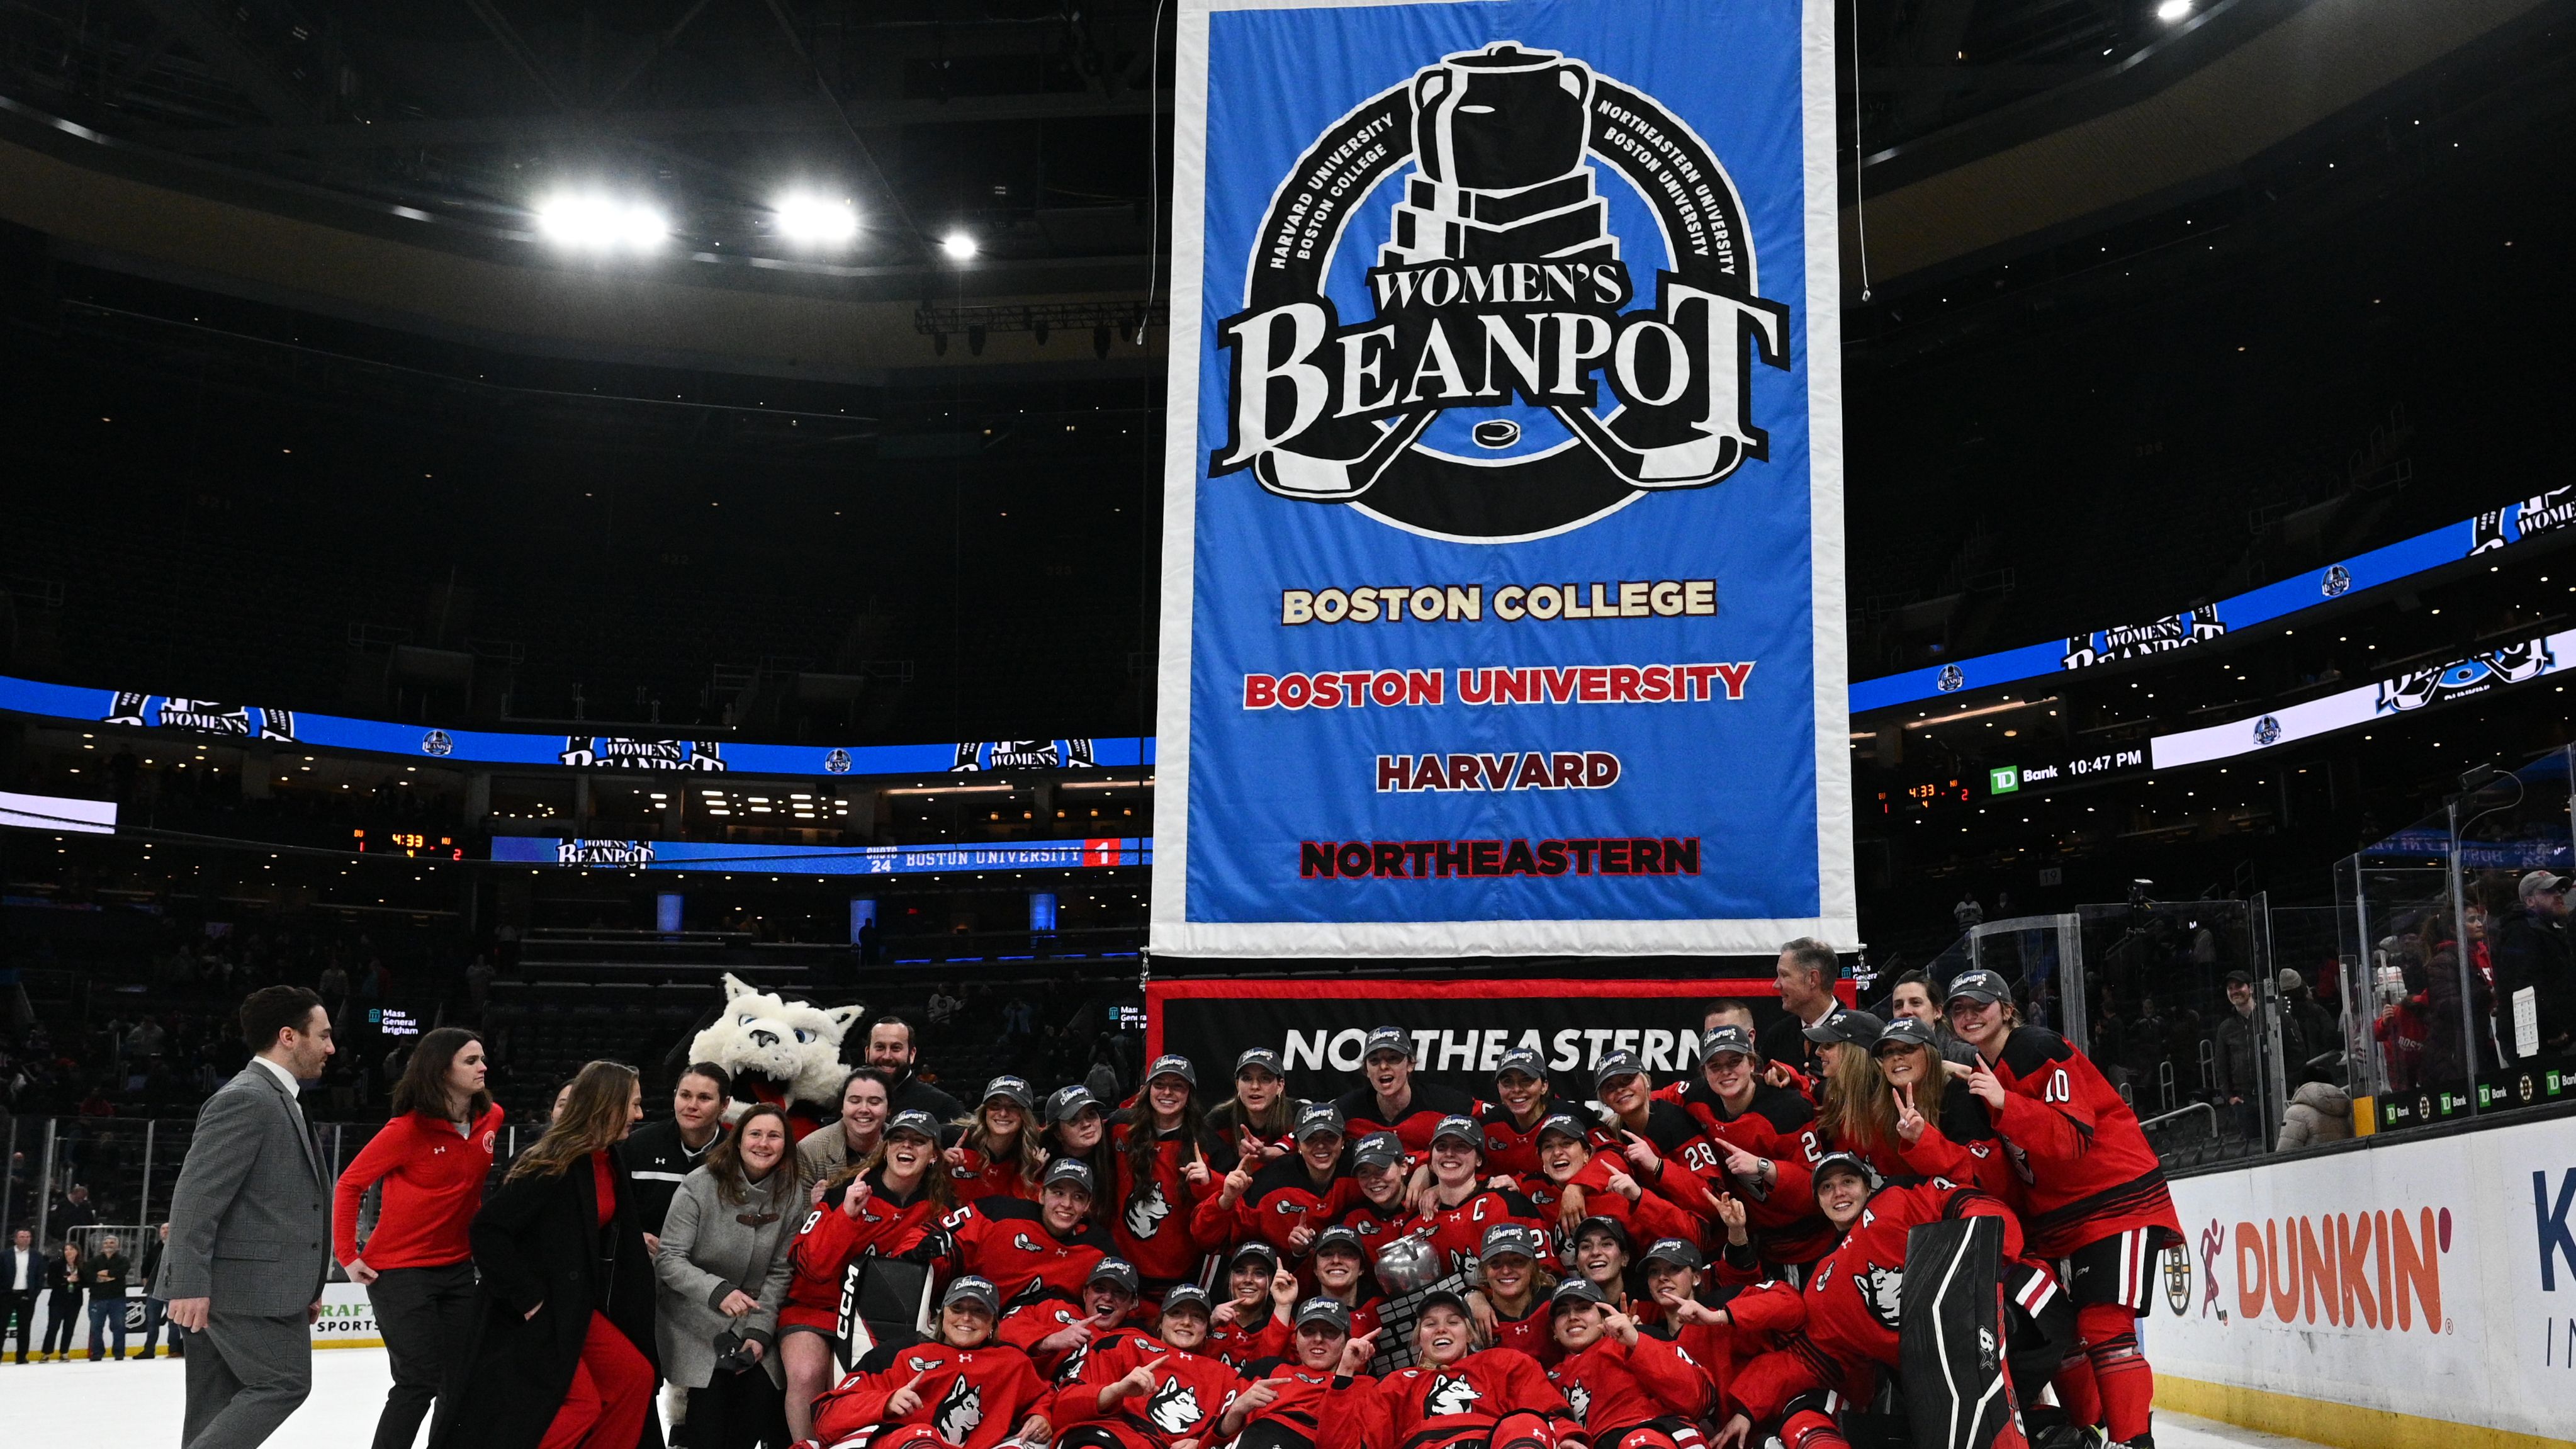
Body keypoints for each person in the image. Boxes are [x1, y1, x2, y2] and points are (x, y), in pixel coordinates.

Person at [1946, 968, 2179, 1449]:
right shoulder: (1980, 1070)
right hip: (2058, 1220)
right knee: (2063, 1334)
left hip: (2117, 1200)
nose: (1969, 1017)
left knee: (2104, 1326)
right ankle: (2084, 1433)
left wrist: (2003, 1101)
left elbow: (2073, 1136)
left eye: (1979, 1006)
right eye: (1959, 1010)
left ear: (2006, 1010)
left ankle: (2133, 1441)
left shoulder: (2036, 1048)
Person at [432, 1059, 658, 1449]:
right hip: (534, 1311)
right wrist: (531, 1300)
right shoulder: (553, 1162)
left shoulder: (608, 1157)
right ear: (608, 1105)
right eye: (633, 1105)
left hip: (574, 1307)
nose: (639, 1115)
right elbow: (487, 1231)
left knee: (635, 1376)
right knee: (580, 1405)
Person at [165, 984, 336, 1449]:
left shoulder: (277, 1099)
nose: (330, 1047)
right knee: (283, 1383)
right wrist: (188, 1283)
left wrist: (308, 1285)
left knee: (213, 1404)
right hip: (242, 1288)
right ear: (288, 1036)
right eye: (322, 1035)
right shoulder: (248, 1098)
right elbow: (196, 1198)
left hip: (256, 1285)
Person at [334, 1027, 503, 1449]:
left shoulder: (492, 1118)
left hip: (458, 1267)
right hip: (400, 1271)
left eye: (482, 1058)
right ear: (440, 1069)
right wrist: (347, 1253)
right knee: (418, 1381)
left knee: (460, 1378)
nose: (484, 1067)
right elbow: (350, 1184)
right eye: (470, 1061)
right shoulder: (406, 1130)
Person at [780, 1109, 954, 1440]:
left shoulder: (938, 1209)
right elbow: (813, 1266)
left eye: (919, 1141)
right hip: (819, 1308)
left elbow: (938, 1279)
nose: (908, 1147)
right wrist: (846, 1215)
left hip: (878, 1319)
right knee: (807, 1374)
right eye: (899, 1138)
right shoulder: (844, 1190)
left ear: (934, 1155)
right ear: (885, 1148)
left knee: (858, 1385)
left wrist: (933, 1258)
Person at [658, 1103, 799, 1449]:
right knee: (710, 1407)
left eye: (774, 1136)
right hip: (695, 1312)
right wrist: (718, 1292)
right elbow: (669, 1258)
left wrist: (759, 1332)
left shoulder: (794, 1193)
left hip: (756, 1314)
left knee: (759, 1396)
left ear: (786, 1145)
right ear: (737, 1141)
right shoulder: (699, 1184)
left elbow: (782, 1270)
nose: (763, 1143)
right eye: (755, 1134)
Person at [809, 1277, 1054, 1449]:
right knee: (922, 1437)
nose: (966, 1318)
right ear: (942, 1313)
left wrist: (1040, 1415)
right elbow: (826, 1417)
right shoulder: (898, 1354)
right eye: (958, 1308)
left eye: (979, 1311)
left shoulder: (1012, 1361)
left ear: (993, 1323)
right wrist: (886, 1402)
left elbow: (1044, 1396)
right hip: (906, 1443)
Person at [1361, 1289, 1578, 1449]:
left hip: (1492, 1443)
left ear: (1470, 1334)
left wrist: (1566, 1437)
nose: (1441, 1330)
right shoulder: (1398, 1384)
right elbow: (1365, 1442)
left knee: (1525, 1422)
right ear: (1419, 1338)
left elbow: (1546, 1412)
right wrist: (1343, 1377)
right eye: (1430, 1324)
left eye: (1453, 1322)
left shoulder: (1505, 1362)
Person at [1054, 1283, 1261, 1449]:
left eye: (1197, 1317)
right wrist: (1116, 1390)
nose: (1186, 1322)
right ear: (1160, 1322)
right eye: (1177, 1313)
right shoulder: (1126, 1344)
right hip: (1108, 1436)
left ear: (1207, 1329)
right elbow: (1063, 1407)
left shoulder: (1224, 1376)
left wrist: (1202, 1444)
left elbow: (1239, 1433)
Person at [1544, 1277, 1711, 1445]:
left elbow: (1699, 1399)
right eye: (1562, 1312)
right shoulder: (1550, 1379)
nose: (1572, 1317)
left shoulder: (1637, 1342)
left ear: (1604, 1318)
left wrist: (1636, 1341)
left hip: (1655, 1432)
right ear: (1554, 1330)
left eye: (1584, 1308)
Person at [1230, 1296, 1380, 1449]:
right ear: (1296, 1338)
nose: (1318, 1339)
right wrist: (1236, 1411)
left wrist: (1344, 1375)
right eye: (1308, 1331)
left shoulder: (1367, 1387)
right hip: (1256, 1437)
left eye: (1330, 1332)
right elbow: (1215, 1436)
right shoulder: (1268, 1369)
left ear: (1346, 1340)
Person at [1206, 1103, 1353, 1256]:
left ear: (1343, 1141)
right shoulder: (1272, 1181)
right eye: (1311, 1138)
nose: (1321, 1145)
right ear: (1298, 1146)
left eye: (1330, 1137)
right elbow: (1209, 1239)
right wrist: (1226, 1200)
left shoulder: (1360, 1173)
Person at [631, 1063, 734, 1242]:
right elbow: (618, 1211)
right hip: (645, 1262)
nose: (692, 1105)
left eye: (704, 1098)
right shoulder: (638, 1145)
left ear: (724, 1105)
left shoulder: (737, 1153)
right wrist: (634, 1237)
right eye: (685, 1095)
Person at [1332, 1027, 1480, 1153]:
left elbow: (1494, 1115)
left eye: (1393, 1058)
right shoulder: (1345, 1111)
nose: (1383, 1067)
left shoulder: (1444, 1103)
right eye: (1375, 1061)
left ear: (1410, 1064)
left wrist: (1428, 1168)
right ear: (1366, 1070)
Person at [2495, 869, 2575, 1062]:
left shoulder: (2546, 930)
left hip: (2550, 1038)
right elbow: (2523, 987)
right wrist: (2552, 1029)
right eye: (2548, 891)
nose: (2558, 895)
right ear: (2530, 901)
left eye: (2560, 890)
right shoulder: (2520, 932)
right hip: (2535, 1042)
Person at [1464, 1224, 1558, 1365]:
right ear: (1484, 1271)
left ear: (1533, 1266)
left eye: (1517, 1261)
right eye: (1496, 1263)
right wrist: (1471, 1295)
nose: (1506, 1271)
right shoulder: (1472, 1321)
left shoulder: (1558, 1303)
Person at [798, 1069, 892, 1201]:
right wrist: (816, 1208)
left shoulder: (901, 1146)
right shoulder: (809, 1150)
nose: (864, 1109)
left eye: (874, 1102)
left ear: (889, 1109)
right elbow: (799, 1215)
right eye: (855, 1101)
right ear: (842, 1106)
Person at [946, 1076, 1043, 1203]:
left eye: (1013, 1106)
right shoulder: (954, 1136)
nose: (1003, 1113)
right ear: (985, 1111)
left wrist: (1028, 1176)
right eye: (995, 1105)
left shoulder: (1036, 1149)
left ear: (1025, 1115)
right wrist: (936, 1165)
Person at [1758, 940, 1842, 1080]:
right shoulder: (1776, 1037)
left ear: (1812, 979)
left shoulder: (1854, 1036)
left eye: (1784, 975)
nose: (1776, 985)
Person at [1202, 1047, 1300, 1160]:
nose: (1255, 1086)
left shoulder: (1297, 1115)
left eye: (1265, 1078)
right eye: (1247, 1078)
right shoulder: (1218, 1121)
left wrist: (1269, 1152)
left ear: (1280, 1086)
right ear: (1238, 1084)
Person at [862, 1017, 965, 1123]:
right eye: (880, 1047)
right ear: (867, 1053)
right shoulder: (849, 1103)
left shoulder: (943, 1106)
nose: (887, 1057)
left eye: (896, 1048)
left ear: (912, 1054)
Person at [1883, 971, 1980, 1066]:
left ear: (1937, 1012)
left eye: (1916, 1003)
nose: (1905, 1011)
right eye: (1898, 1006)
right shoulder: (1888, 1061)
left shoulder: (1968, 1057)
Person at [2212, 971, 2263, 1140]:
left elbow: (2295, 1052)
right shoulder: (2225, 1028)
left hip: (2273, 1096)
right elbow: (2221, 1065)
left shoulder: (2270, 1017)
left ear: (2252, 988)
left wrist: (2288, 1085)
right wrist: (2229, 1097)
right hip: (2244, 1102)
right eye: (2230, 988)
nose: (2234, 991)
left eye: (2239, 986)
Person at [85, 1231, 132, 1361]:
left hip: (117, 1299)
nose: (108, 1245)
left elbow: (121, 1272)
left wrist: (105, 1274)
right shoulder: (94, 1261)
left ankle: (119, 1353)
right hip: (96, 1299)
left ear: (118, 1246)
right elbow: (88, 1275)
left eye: (112, 1243)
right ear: (102, 1246)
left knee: (119, 1326)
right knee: (96, 1327)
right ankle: (97, 1353)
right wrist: (110, 1276)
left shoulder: (123, 1260)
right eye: (106, 1243)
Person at [138, 1221, 178, 1360]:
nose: (165, 1231)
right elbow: (145, 1268)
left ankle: (174, 1349)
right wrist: (145, 1280)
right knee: (152, 1321)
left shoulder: (177, 1249)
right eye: (163, 1228)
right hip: (154, 1290)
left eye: (168, 1228)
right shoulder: (153, 1249)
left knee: (174, 1321)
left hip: (172, 1290)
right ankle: (149, 1349)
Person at [42, 1238, 82, 1360]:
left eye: (71, 1249)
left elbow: (87, 1281)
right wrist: (67, 1281)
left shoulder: (81, 1266)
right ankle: (47, 1353)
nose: (68, 1252)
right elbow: (51, 1281)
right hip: (58, 1301)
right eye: (66, 1249)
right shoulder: (56, 1264)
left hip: (75, 1301)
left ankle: (64, 1352)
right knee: (53, 1326)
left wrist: (78, 1281)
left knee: (69, 1327)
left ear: (77, 1251)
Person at [4, 1227, 38, 1363]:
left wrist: (34, 1293)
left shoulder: (36, 1256)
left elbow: (38, 1277)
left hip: (26, 1296)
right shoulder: (5, 1255)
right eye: (22, 1236)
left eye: (28, 1236)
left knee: (25, 1328)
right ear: (15, 1239)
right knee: (1, 1327)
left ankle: (22, 1356)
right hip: (7, 1296)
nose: (26, 1239)